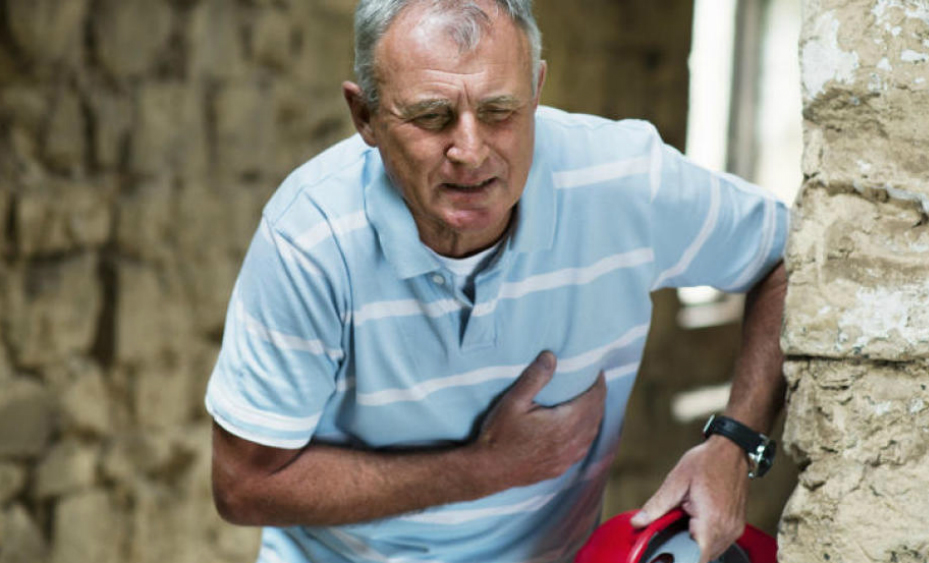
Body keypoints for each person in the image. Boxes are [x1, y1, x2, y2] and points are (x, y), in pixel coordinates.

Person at [206, 1, 788, 562]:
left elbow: (790, 256)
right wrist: (488, 467)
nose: (470, 149)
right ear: (366, 118)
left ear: (536, 90)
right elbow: (243, 484)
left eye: (499, 110)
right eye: (432, 116)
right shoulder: (310, 238)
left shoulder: (625, 180)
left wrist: (735, 443)